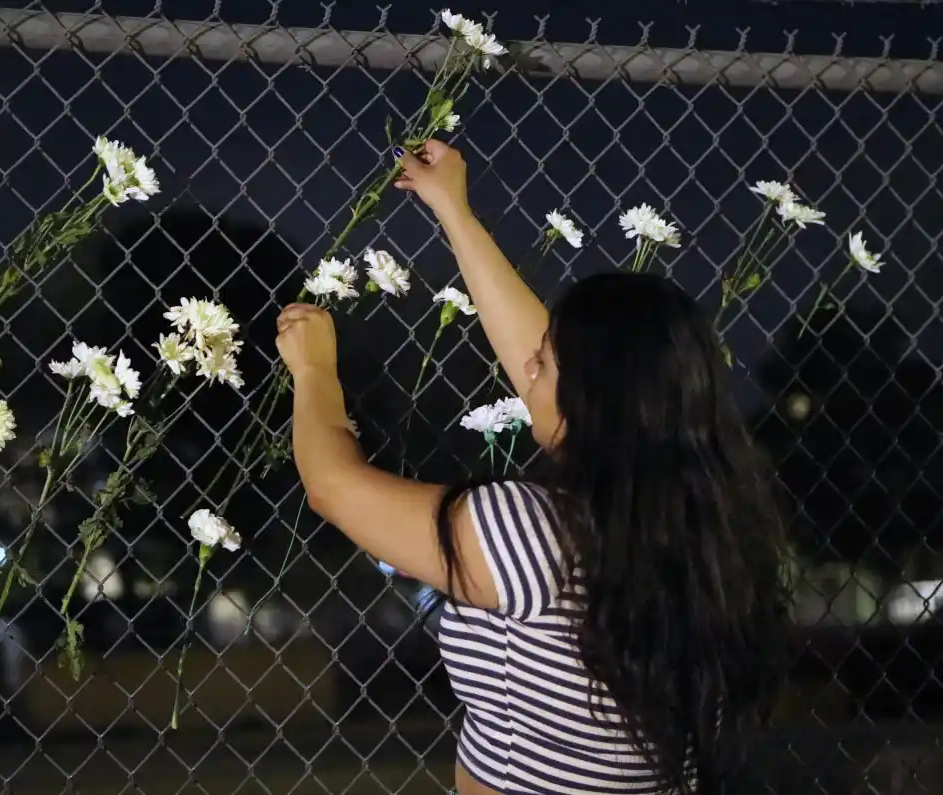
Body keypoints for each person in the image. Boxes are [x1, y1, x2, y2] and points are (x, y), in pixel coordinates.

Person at [275, 139, 791, 795]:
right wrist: (454, 211)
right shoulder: (713, 526)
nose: (526, 369)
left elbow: (332, 486)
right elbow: (552, 375)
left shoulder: (533, 533)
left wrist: (315, 371)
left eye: (544, 364)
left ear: (586, 400)